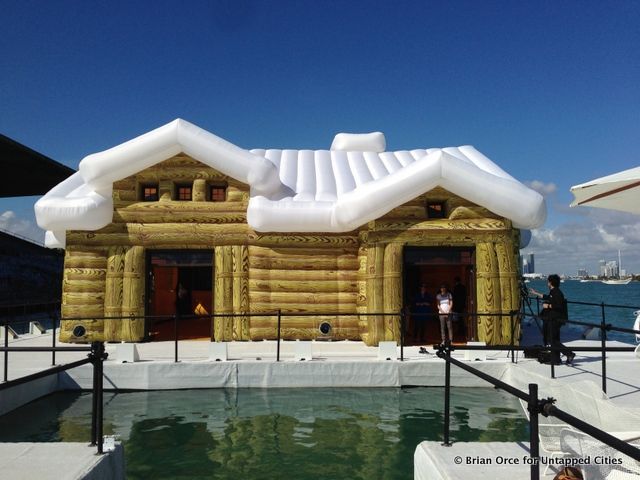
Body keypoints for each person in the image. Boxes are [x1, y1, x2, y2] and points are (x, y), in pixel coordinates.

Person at [530, 274, 575, 365]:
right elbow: (548, 297)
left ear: (550, 282)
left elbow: (559, 305)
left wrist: (548, 306)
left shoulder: (557, 292)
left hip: (556, 319)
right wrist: (536, 293)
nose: (547, 283)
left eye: (548, 281)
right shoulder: (553, 291)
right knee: (554, 339)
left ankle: (569, 353)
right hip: (554, 318)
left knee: (551, 339)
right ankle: (556, 359)